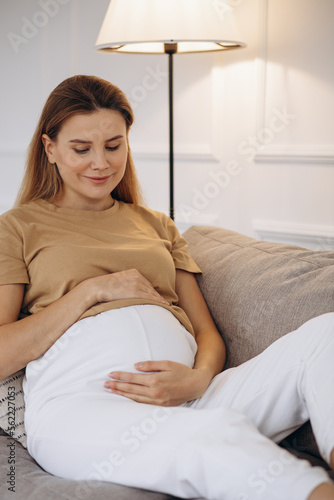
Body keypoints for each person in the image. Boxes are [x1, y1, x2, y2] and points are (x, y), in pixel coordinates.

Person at [0, 74, 333, 500]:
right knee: (212, 437)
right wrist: (91, 291)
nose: (101, 163)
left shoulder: (155, 223)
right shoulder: (20, 226)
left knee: (327, 335)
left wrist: (197, 380)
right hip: (84, 407)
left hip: (189, 398)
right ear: (50, 148)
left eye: (114, 145)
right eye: (81, 149)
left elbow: (205, 331)